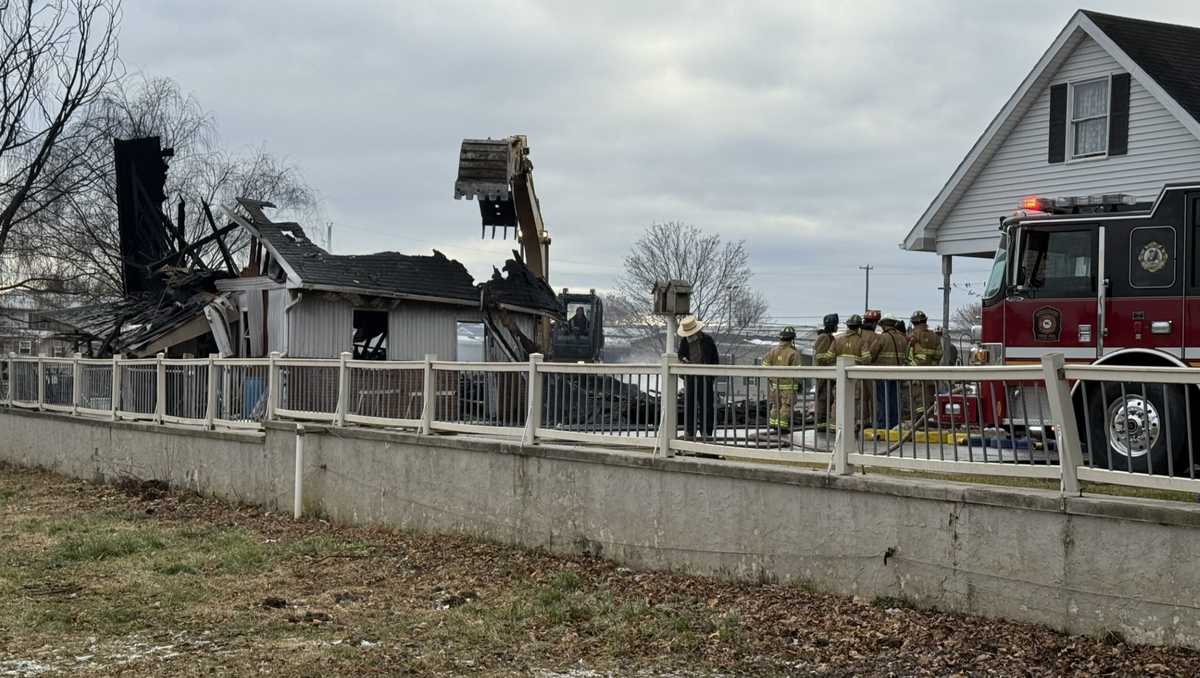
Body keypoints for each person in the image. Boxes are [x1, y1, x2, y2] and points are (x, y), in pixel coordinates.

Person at [676, 315, 720, 439]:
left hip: (705, 378)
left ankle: (707, 432)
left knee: (707, 406)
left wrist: (711, 377)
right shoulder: (685, 341)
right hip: (690, 378)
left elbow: (715, 359)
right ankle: (690, 431)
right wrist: (683, 360)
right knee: (690, 405)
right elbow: (681, 354)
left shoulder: (708, 341)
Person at [866, 313, 907, 430]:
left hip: (883, 375)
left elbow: (871, 355)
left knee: (883, 401)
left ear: (883, 324)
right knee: (895, 401)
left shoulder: (881, 338)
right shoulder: (902, 338)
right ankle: (895, 425)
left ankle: (884, 425)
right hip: (898, 375)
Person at [832, 314, 869, 432]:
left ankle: (834, 425)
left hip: (839, 376)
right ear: (859, 328)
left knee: (838, 400)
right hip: (855, 378)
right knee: (854, 401)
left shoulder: (837, 340)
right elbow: (867, 359)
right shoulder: (861, 341)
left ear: (848, 326)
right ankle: (852, 426)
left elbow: (828, 356)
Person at [908, 310, 943, 422]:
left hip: (917, 373)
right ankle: (930, 419)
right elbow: (939, 354)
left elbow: (908, 354)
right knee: (930, 398)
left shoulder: (913, 336)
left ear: (914, 323)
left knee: (918, 398)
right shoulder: (934, 336)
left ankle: (920, 420)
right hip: (931, 373)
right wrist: (932, 363)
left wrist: (911, 366)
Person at [763, 326, 800, 432]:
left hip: (774, 386)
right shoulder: (793, 353)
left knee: (775, 405)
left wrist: (771, 378)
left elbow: (765, 365)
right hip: (789, 386)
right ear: (792, 339)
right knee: (786, 406)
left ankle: (773, 424)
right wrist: (798, 384)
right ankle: (782, 427)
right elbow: (798, 371)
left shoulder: (772, 351)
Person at [813, 313, 838, 431]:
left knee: (828, 398)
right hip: (824, 373)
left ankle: (823, 423)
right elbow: (821, 357)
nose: (837, 327)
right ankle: (820, 424)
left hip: (829, 373)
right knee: (823, 398)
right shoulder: (824, 337)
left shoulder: (830, 337)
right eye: (835, 325)